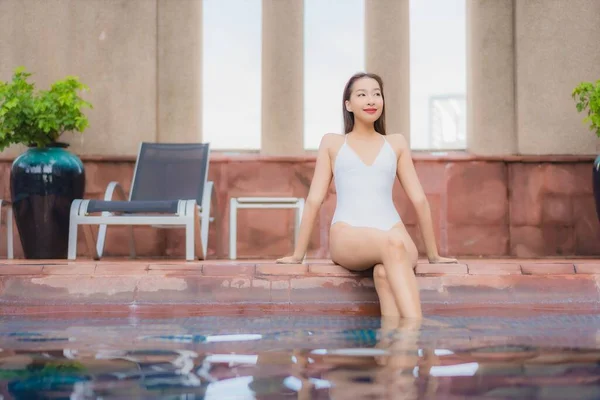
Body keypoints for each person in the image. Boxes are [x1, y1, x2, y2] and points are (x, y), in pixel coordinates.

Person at [277, 72, 456, 319]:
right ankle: (418, 330)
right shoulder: (332, 143)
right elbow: (314, 200)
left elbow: (419, 200)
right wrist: (298, 255)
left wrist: (434, 256)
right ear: (348, 105)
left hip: (394, 231)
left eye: (376, 94)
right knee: (392, 244)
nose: (371, 100)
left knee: (384, 273)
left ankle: (397, 350)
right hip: (348, 235)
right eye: (362, 95)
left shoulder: (396, 143)